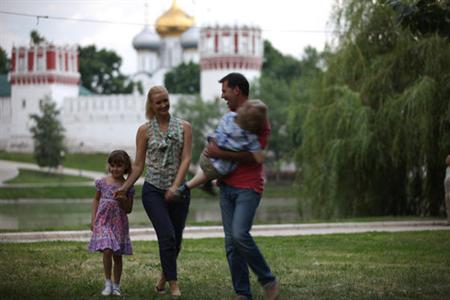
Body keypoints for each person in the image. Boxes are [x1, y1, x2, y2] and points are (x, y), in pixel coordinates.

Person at [204, 73, 279, 300]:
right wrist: (217, 166)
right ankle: (242, 293)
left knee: (239, 235)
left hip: (248, 187)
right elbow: (223, 146)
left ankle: (268, 280)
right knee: (231, 243)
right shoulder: (228, 117)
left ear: (237, 90)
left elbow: (253, 156)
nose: (222, 96)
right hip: (227, 186)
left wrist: (219, 152)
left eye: (225, 90)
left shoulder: (257, 117)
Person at [114, 85, 192, 298]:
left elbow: (186, 159)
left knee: (176, 239)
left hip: (180, 191)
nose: (164, 105)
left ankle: (162, 279)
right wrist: (125, 186)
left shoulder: (184, 127)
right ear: (151, 105)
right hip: (154, 191)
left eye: (166, 100)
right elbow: (138, 165)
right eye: (159, 102)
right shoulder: (144, 130)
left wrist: (176, 186)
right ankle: (174, 284)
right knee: (167, 236)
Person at [174, 99, 267, 199]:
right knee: (214, 172)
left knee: (207, 172)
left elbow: (217, 132)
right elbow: (259, 159)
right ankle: (192, 185)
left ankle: (198, 185)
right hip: (218, 168)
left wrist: (211, 140)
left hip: (206, 156)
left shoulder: (229, 117)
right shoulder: (250, 137)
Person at [88, 149, 135, 297]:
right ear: (109, 166)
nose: (115, 169)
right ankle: (107, 282)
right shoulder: (102, 182)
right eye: (112, 165)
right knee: (107, 249)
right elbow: (96, 199)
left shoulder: (128, 186)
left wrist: (123, 199)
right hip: (103, 221)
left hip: (119, 222)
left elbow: (128, 210)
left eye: (119, 166)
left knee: (117, 255)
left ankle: (116, 285)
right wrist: (93, 219)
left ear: (125, 167)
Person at [445, 155, 450, 224]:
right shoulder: (447, 169)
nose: (446, 160)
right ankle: (449, 221)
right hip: (447, 191)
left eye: (447, 159)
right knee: (448, 207)